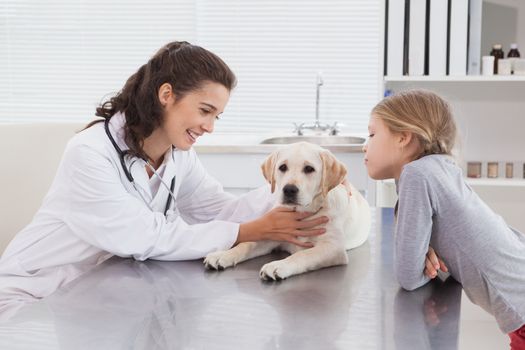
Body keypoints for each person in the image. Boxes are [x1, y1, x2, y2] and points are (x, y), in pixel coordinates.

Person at [0, 41, 328, 311]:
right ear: (166, 94)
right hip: (33, 296)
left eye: (217, 116)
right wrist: (248, 230)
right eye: (204, 111)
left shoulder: (178, 155)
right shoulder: (88, 153)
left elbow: (218, 210)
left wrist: (304, 188)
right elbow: (145, 236)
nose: (210, 127)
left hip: (97, 296)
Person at [362, 89, 525, 348]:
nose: (365, 144)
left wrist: (427, 264)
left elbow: (408, 276)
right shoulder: (440, 168)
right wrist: (424, 251)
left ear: (404, 137)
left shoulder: (417, 175)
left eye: (371, 134)